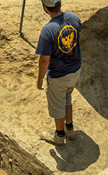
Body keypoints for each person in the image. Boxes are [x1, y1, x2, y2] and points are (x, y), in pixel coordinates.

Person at [35, 0, 82, 145]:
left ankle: (59, 136)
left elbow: (44, 60)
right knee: (67, 98)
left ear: (45, 8)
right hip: (75, 70)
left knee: (57, 105)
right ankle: (70, 129)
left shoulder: (48, 30)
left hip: (58, 76)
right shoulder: (74, 17)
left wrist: (40, 79)